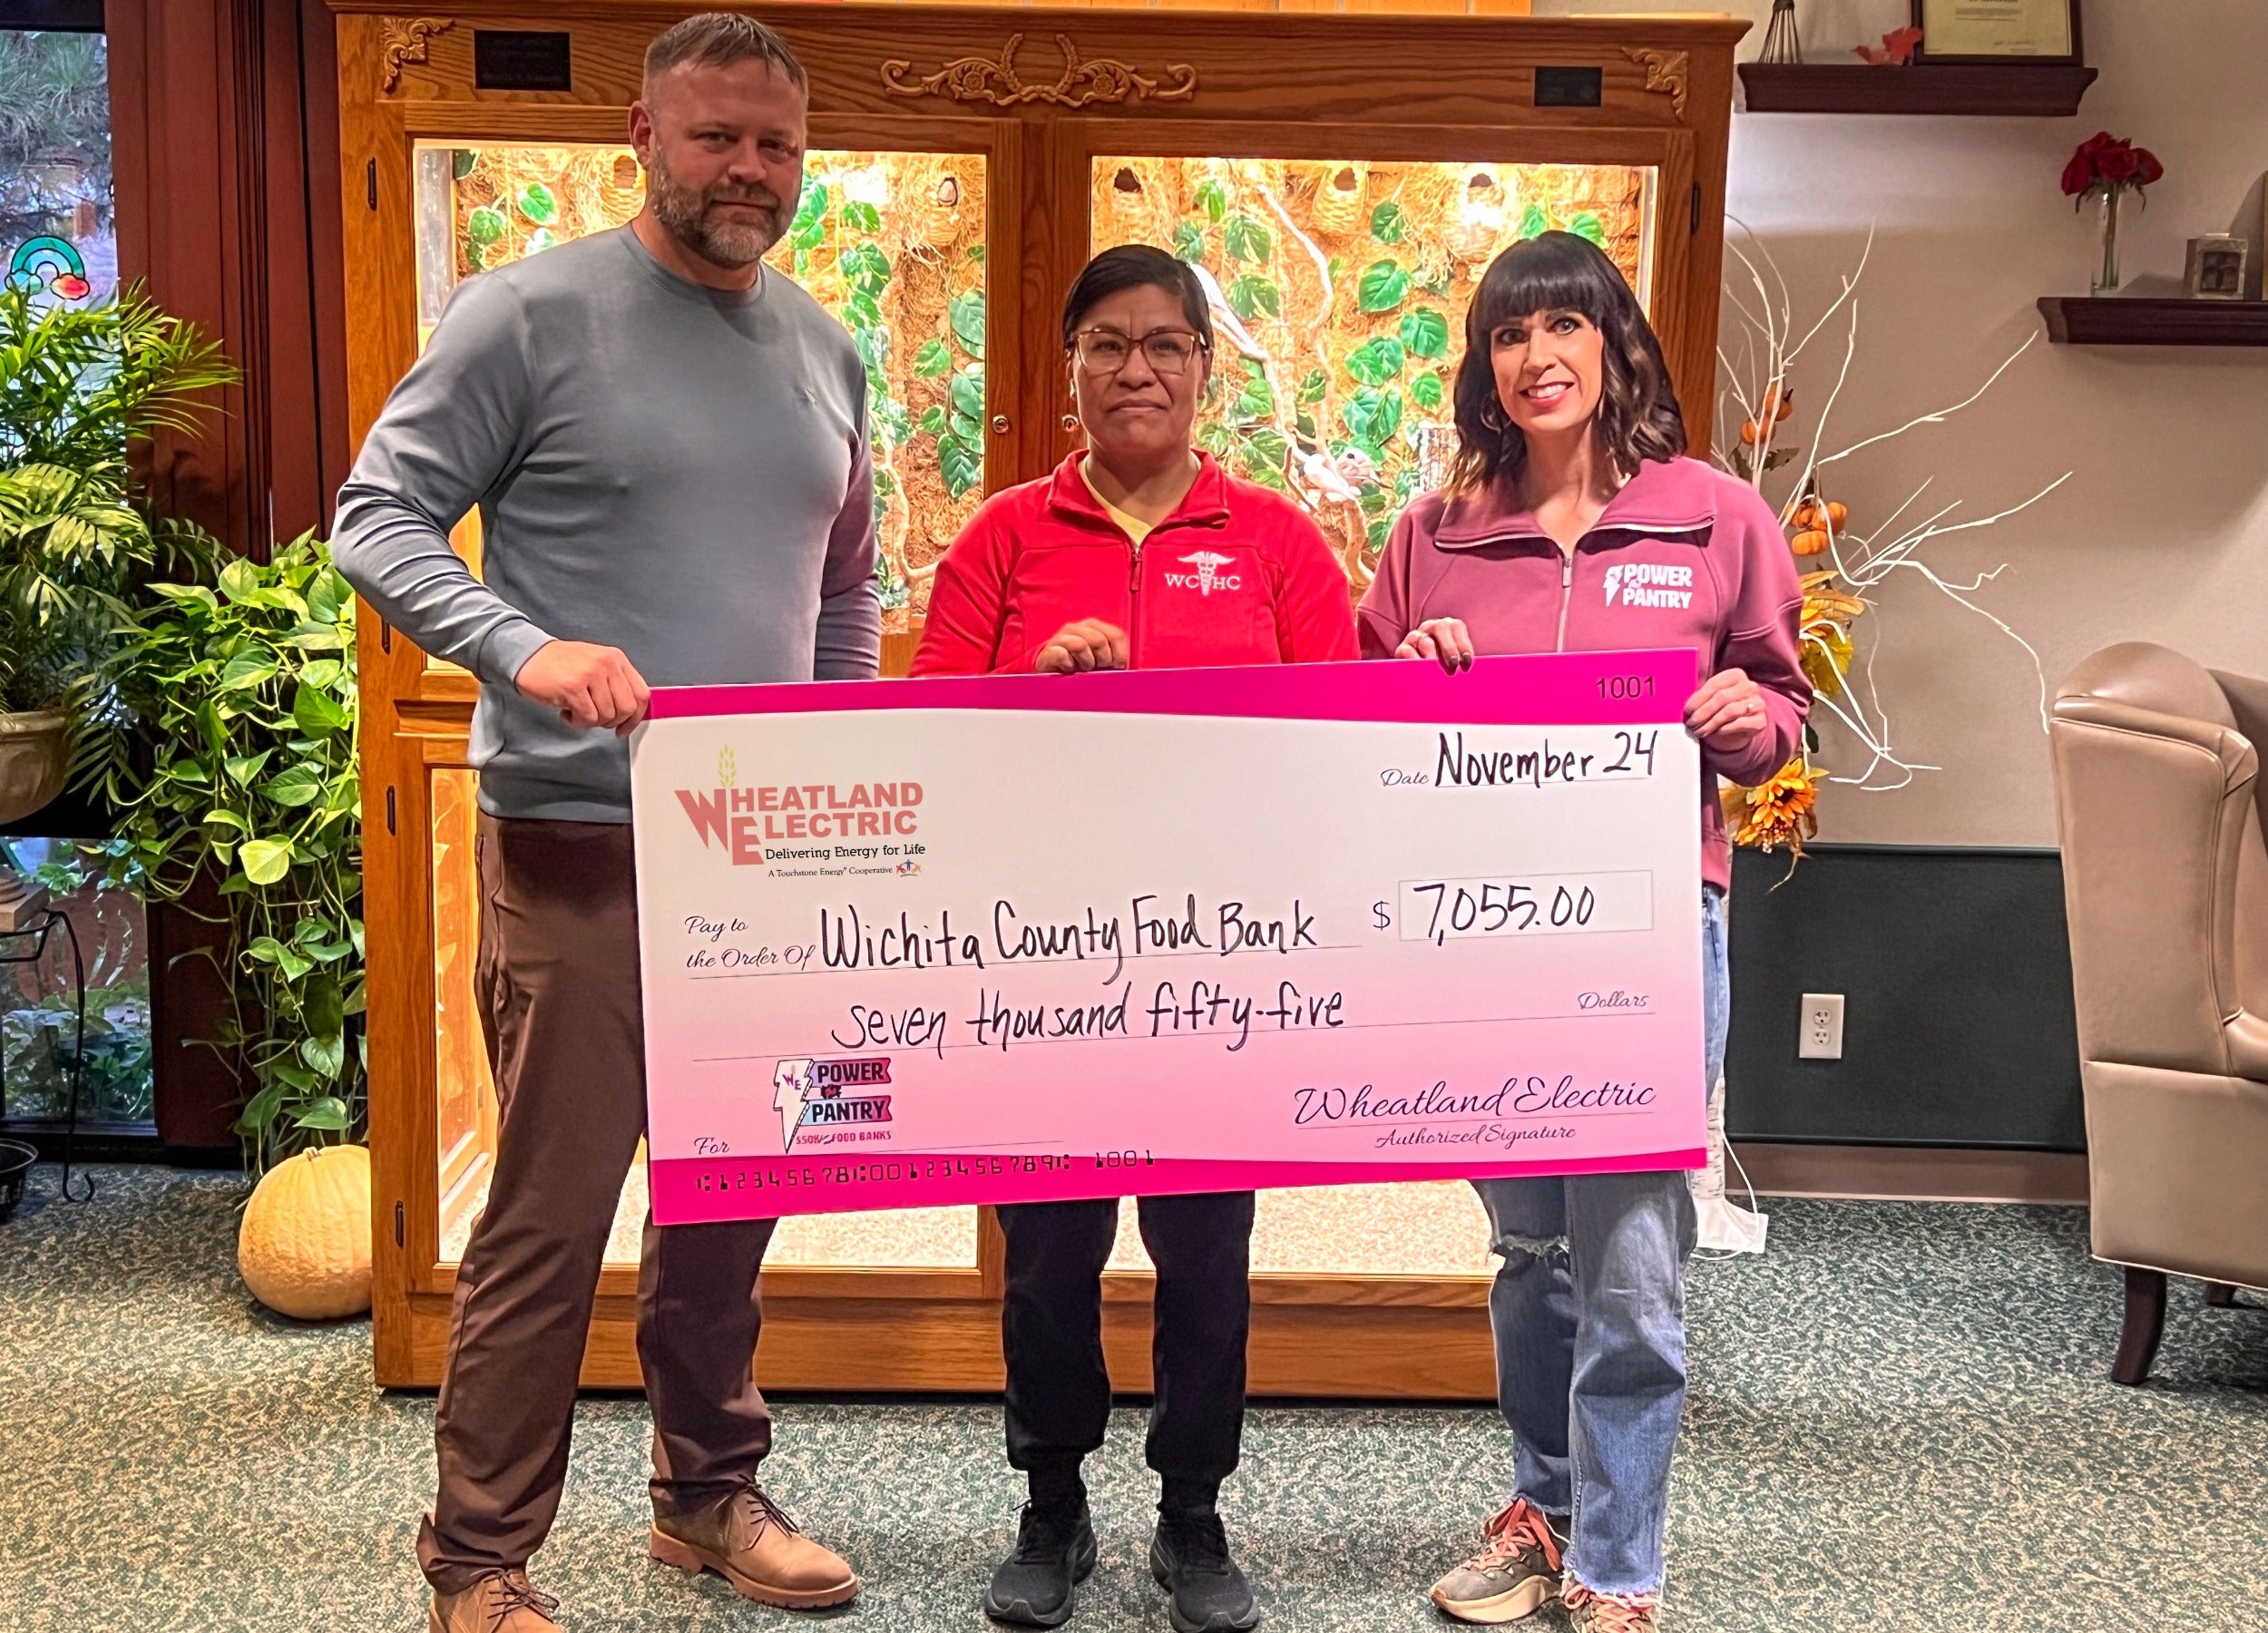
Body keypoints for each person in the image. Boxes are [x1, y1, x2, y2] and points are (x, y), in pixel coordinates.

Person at [331, 15, 875, 1631]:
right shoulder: (529, 313)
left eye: (775, 145)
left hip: (767, 859)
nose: (748, 173)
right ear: (642, 132)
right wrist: (522, 643)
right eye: (716, 138)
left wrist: (838, 753)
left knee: (730, 1204)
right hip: (578, 843)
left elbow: (845, 587)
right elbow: (376, 516)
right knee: (553, 1220)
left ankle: (706, 1495)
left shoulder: (825, 347)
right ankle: (477, 1559)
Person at [1360, 231, 1809, 1633]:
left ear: (1616, 345)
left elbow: (1782, 714)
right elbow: (1360, 730)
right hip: (1484, 942)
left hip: (1654, 928)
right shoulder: (1433, 534)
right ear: (1485, 366)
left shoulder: (1714, 517)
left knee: (1630, 1259)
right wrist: (1414, 679)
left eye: (1566, 324)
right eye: (1510, 333)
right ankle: (1543, 1508)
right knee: (1532, 1252)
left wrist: (1749, 720)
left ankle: (1621, 1563)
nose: (1538, 355)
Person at [914, 244, 1357, 1631]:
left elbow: (1341, 741)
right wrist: (1029, 688)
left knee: (1206, 1249)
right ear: (1071, 372)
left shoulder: (1277, 541)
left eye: (1165, 344)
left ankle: (1194, 1513)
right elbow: (928, 735)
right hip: (1038, 965)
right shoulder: (1001, 537)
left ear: (1206, 370)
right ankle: (1050, 1506)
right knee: (1045, 1254)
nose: (1138, 369)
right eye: (1108, 344)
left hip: (1221, 972)